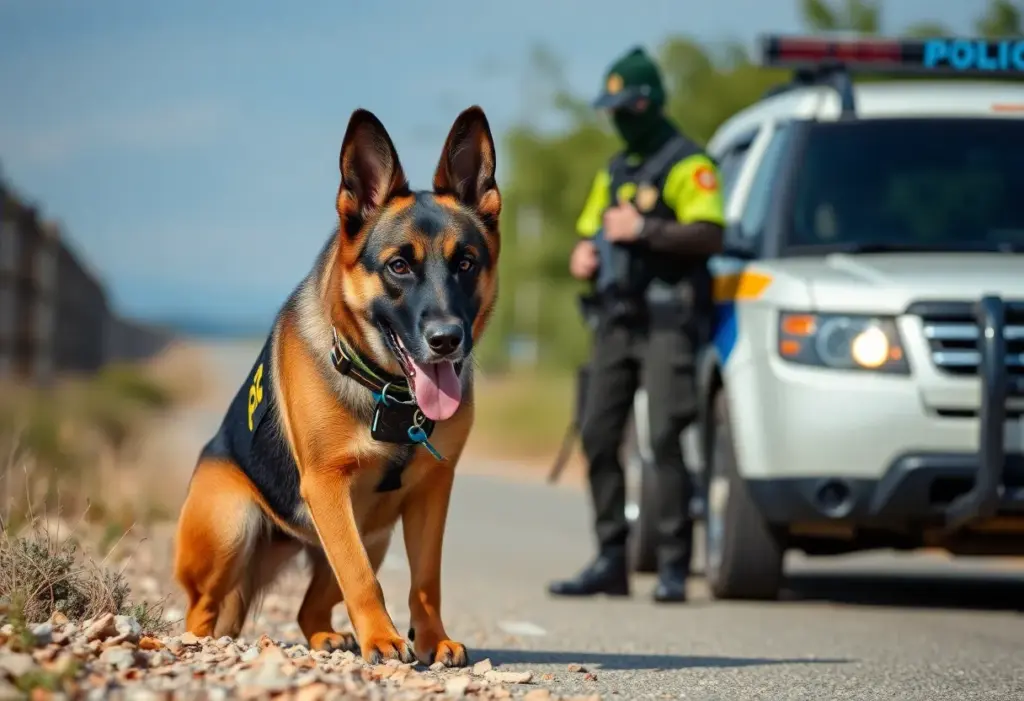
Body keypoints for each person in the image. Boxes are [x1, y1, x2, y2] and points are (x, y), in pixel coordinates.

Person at [547, 46, 725, 603]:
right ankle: (610, 559)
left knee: (666, 437)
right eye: (612, 108)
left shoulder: (687, 163)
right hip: (616, 324)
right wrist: (585, 254)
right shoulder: (615, 170)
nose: (617, 118)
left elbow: (710, 235)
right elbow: (592, 229)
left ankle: (673, 565)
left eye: (624, 107)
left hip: (669, 323)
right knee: (599, 434)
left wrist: (645, 230)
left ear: (647, 102)